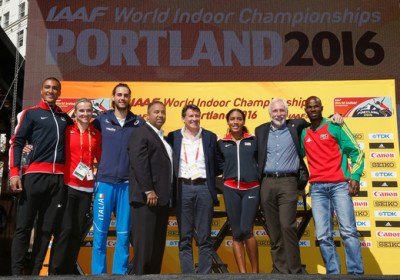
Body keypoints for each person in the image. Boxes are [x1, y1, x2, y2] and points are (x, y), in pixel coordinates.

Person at [9, 77, 73, 275]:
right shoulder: (31, 114)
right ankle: (17, 274)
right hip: (34, 177)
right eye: (47, 87)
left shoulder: (65, 119)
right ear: (41, 91)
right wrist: (14, 173)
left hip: (57, 180)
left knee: (46, 229)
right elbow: (17, 142)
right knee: (23, 227)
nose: (51, 91)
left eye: (55, 88)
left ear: (59, 92)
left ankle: (36, 273)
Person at [300, 96, 364, 275]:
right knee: (322, 235)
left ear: (321, 108)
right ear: (305, 110)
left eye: (316, 106)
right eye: (309, 107)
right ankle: (333, 273)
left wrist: (356, 177)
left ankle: (356, 274)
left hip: (339, 186)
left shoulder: (335, 125)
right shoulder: (304, 133)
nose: (313, 109)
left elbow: (356, 152)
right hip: (317, 188)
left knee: (349, 232)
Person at [91, 83, 145, 274]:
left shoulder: (138, 123)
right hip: (104, 184)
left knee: (123, 235)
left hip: (127, 186)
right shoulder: (100, 121)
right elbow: (82, 139)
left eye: (126, 95)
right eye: (119, 94)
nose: (122, 98)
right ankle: (98, 275)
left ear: (130, 98)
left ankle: (119, 274)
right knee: (100, 234)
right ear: (112, 97)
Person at [255, 98, 309, 274]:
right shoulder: (261, 130)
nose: (278, 114)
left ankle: (294, 270)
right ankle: (279, 268)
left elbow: (317, 122)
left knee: (287, 226)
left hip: (288, 182)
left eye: (281, 110)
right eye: (275, 111)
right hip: (267, 182)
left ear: (287, 112)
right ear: (270, 113)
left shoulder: (297, 125)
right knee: (273, 228)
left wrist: (335, 117)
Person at [48, 98, 102, 274]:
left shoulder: (96, 133)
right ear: (75, 113)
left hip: (87, 189)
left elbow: (101, 159)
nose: (85, 114)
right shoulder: (67, 130)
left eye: (88, 111)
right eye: (81, 111)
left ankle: (68, 269)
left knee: (77, 231)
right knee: (65, 229)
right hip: (68, 185)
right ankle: (55, 270)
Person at [167, 104, 221, 274]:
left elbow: (218, 164)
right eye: (190, 116)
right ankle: (187, 275)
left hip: (204, 187)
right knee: (184, 237)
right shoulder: (173, 136)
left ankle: (204, 274)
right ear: (183, 118)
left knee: (205, 236)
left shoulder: (210, 137)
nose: (194, 119)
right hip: (182, 188)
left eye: (197, 116)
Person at [128, 101, 173, 275]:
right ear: (148, 114)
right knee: (145, 247)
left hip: (161, 200)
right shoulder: (141, 133)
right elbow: (139, 164)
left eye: (163, 112)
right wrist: (148, 190)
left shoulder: (162, 136)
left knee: (156, 247)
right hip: (145, 199)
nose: (160, 115)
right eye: (156, 112)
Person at [217, 108, 259, 273]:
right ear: (228, 121)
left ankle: (255, 273)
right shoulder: (222, 143)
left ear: (244, 121)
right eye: (232, 119)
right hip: (231, 189)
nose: (236, 122)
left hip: (252, 189)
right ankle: (242, 273)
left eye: (239, 119)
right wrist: (227, 172)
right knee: (236, 232)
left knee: (246, 229)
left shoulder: (254, 140)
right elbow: (218, 162)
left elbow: (260, 160)